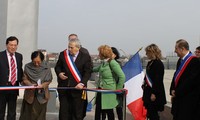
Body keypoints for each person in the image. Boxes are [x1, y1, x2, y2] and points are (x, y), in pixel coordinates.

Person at [55, 38, 93, 120]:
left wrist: (82, 83)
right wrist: (59, 73)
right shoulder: (63, 54)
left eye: (71, 47)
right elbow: (57, 67)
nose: (69, 49)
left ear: (78, 48)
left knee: (76, 113)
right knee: (64, 113)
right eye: (68, 47)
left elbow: (88, 72)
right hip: (64, 89)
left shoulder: (85, 57)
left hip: (78, 89)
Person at [170, 39, 200, 120]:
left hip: (188, 99)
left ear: (182, 49)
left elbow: (191, 81)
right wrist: (172, 89)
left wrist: (177, 91)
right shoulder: (180, 60)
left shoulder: (195, 61)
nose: (175, 51)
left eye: (176, 48)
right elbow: (175, 75)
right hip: (178, 98)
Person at [93, 45, 125, 120]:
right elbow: (94, 69)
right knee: (98, 111)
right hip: (100, 91)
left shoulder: (113, 63)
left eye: (99, 53)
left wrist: (118, 90)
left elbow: (122, 76)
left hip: (109, 92)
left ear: (103, 54)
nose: (98, 55)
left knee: (109, 111)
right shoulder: (104, 63)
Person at [19, 51, 52, 120]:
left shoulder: (47, 67)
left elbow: (49, 80)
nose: (36, 64)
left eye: (39, 62)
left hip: (42, 95)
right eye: (34, 62)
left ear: (42, 60)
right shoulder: (27, 66)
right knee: (28, 115)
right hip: (30, 95)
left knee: (40, 116)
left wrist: (42, 85)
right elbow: (24, 79)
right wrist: (30, 85)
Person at [0, 36, 23, 120]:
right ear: (6, 45)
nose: (13, 47)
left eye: (15, 45)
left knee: (12, 113)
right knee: (0, 112)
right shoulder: (1, 55)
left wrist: (23, 82)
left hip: (14, 87)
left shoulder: (19, 56)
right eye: (11, 45)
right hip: (2, 88)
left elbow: (19, 70)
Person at [142, 44, 166, 120]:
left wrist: (154, 93)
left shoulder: (158, 64)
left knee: (153, 114)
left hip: (155, 93)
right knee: (150, 113)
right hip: (148, 91)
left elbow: (158, 80)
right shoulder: (150, 63)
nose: (146, 54)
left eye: (147, 52)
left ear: (152, 52)